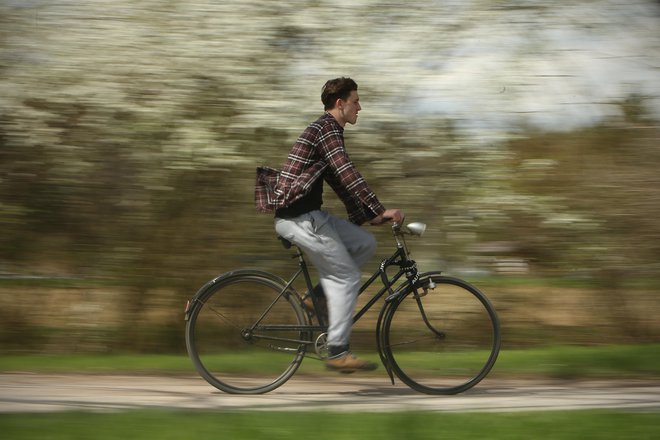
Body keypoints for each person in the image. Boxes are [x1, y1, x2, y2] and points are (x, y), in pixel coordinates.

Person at [255, 77, 403, 373]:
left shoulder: (327, 132)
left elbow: (338, 181)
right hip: (299, 219)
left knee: (364, 243)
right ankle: (337, 351)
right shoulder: (326, 130)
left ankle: (317, 297)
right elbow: (347, 173)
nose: (360, 107)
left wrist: (369, 216)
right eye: (356, 101)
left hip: (311, 217)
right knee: (347, 276)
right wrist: (379, 207)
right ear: (341, 103)